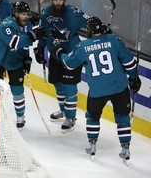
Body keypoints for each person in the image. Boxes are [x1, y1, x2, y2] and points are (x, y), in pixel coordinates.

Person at [53, 16, 141, 162]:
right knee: (122, 118)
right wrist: (134, 79)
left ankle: (92, 146)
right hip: (119, 87)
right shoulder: (114, 40)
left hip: (97, 90)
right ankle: (125, 148)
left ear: (89, 31)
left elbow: (69, 64)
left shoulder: (84, 46)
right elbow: (130, 65)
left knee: (93, 117)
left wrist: (60, 52)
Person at [0, 1, 45, 129]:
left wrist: (26, 58)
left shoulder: (27, 24)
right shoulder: (6, 25)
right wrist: (33, 35)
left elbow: (24, 45)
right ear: (15, 14)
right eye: (23, 14)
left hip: (15, 60)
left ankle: (20, 117)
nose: (26, 17)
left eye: (27, 14)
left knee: (18, 91)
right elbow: (15, 42)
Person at [34, 0, 88, 132]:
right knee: (58, 83)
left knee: (69, 87)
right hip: (55, 56)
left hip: (72, 57)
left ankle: (71, 118)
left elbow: (89, 23)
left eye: (61, 0)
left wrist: (100, 31)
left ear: (64, 0)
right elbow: (42, 34)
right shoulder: (45, 14)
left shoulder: (73, 13)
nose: (58, 3)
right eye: (56, 0)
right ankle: (63, 110)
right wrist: (40, 48)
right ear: (51, 0)